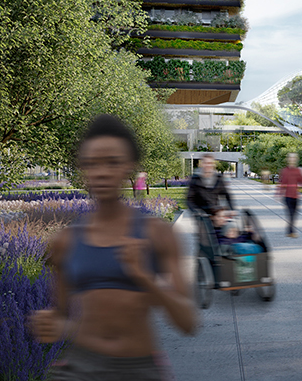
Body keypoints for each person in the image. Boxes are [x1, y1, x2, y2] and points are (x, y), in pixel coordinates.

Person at [31, 114, 196, 380]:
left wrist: (146, 278)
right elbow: (61, 317)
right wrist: (51, 324)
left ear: (128, 167)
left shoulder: (157, 234)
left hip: (139, 370)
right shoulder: (65, 241)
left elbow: (188, 322)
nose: (102, 172)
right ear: (82, 169)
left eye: (112, 162)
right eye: (92, 163)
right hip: (79, 369)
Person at [277, 152, 302, 238]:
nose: (292, 160)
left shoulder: (298, 171)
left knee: (294, 215)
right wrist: (279, 194)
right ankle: (291, 232)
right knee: (291, 214)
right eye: (290, 158)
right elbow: (282, 183)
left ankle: (289, 231)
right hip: (287, 197)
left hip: (296, 196)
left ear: (295, 160)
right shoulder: (285, 171)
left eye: (294, 158)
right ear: (288, 160)